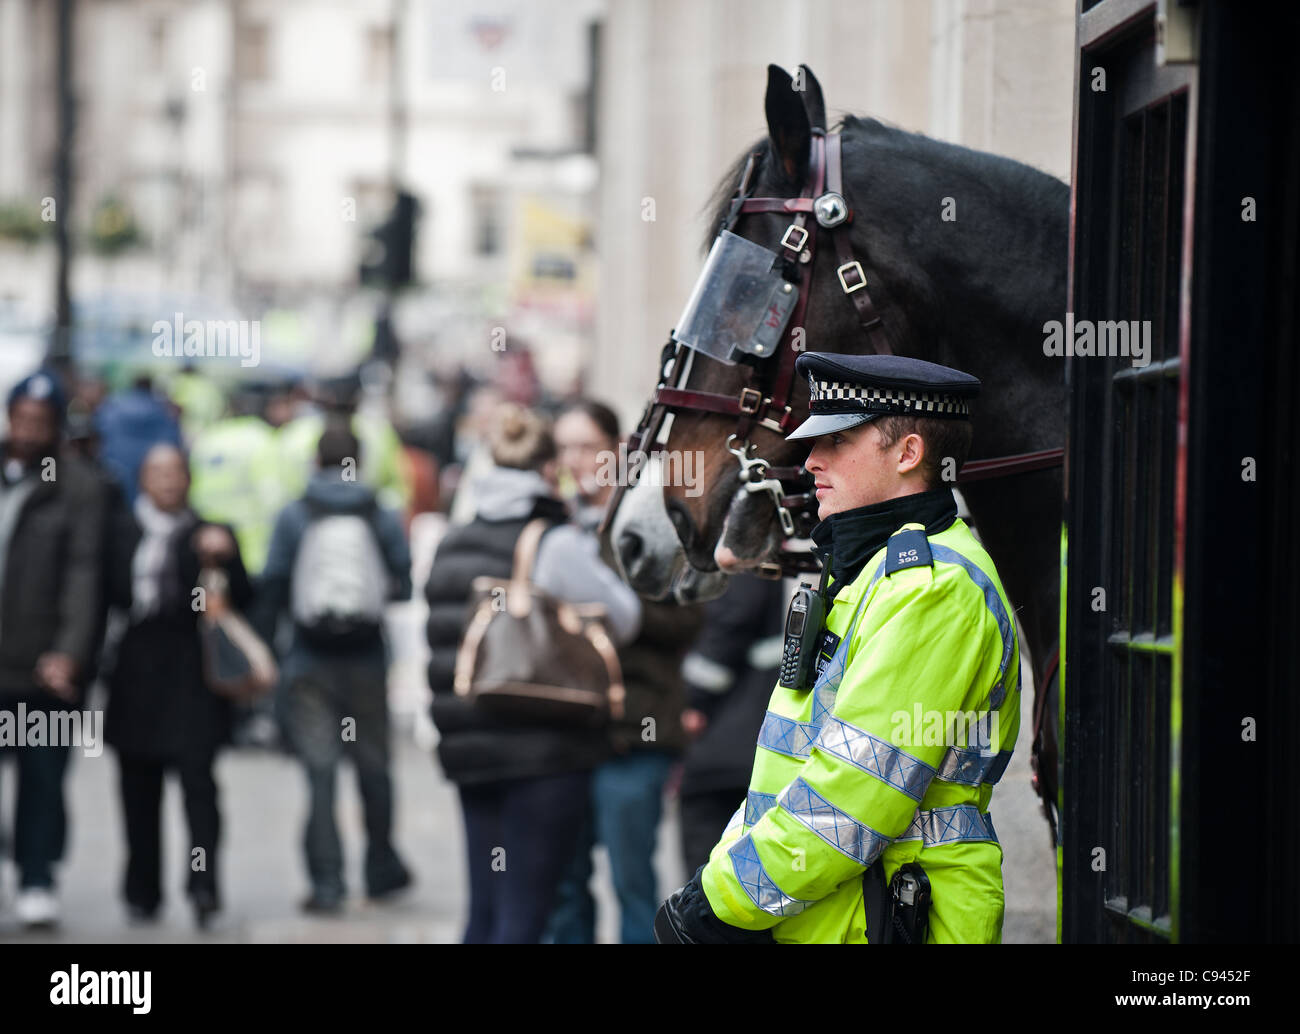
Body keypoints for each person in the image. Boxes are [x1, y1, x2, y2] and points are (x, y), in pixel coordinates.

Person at [656, 353, 1021, 944]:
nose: (811, 461)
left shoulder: (934, 589)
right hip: (846, 913)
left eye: (838, 440)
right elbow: (784, 774)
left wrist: (718, 900)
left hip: (893, 917)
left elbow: (852, 796)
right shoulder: (876, 571)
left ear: (908, 454)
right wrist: (722, 881)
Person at [424, 403, 641, 943]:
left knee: (484, 910)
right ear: (549, 471)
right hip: (541, 753)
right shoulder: (553, 540)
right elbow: (626, 617)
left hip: (469, 750)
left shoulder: (452, 540)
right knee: (525, 916)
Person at [547, 400, 701, 944]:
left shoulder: (648, 519)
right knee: (563, 886)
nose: (574, 459)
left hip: (637, 730)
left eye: (586, 446)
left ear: (616, 450)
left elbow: (687, 617)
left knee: (631, 880)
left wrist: (613, 606)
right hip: (566, 737)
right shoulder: (551, 521)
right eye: (564, 447)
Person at [259, 423, 414, 913]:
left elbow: (274, 584)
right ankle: (381, 868)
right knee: (374, 768)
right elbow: (403, 581)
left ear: (315, 461)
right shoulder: (379, 512)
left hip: (309, 658)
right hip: (366, 657)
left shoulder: (295, 513)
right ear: (359, 461)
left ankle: (327, 884)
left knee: (320, 773)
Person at [103, 444, 252, 929]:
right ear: (142, 479)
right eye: (156, 473)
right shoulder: (122, 530)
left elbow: (247, 599)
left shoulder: (210, 533)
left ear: (188, 478)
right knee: (138, 790)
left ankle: (203, 884)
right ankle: (142, 889)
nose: (167, 481)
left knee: (198, 789)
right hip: (137, 670)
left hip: (193, 671)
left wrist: (223, 560)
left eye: (175, 472)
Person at [0, 370, 105, 928]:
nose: (27, 431)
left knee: (42, 779)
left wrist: (68, 650)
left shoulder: (79, 486)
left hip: (44, 666)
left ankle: (37, 877)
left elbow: (84, 575)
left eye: (39, 422)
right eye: (20, 419)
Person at [677, 572, 785, 876]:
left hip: (725, 753)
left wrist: (693, 701)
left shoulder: (747, 565)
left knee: (706, 872)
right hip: (757, 749)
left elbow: (731, 623)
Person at [93, 374, 182, 506]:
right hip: (155, 489)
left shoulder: (110, 410)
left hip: (117, 480)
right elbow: (175, 448)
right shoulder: (165, 412)